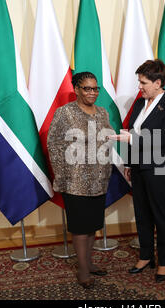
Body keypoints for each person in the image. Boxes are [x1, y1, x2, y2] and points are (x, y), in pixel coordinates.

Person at [109, 59, 165, 282]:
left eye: (143, 82)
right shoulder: (140, 104)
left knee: (161, 215)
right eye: (139, 82)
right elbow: (133, 130)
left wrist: (131, 138)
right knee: (142, 213)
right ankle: (146, 255)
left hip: (160, 168)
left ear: (158, 83)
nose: (139, 87)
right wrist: (129, 164)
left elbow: (164, 138)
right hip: (140, 168)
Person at [47, 72, 114, 289]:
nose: (92, 93)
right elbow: (54, 144)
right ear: (76, 89)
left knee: (93, 225)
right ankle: (83, 270)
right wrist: (63, 174)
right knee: (80, 227)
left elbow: (108, 139)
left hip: (99, 179)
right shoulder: (65, 113)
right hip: (75, 181)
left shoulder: (103, 113)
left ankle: (89, 262)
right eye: (87, 88)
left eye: (95, 89)